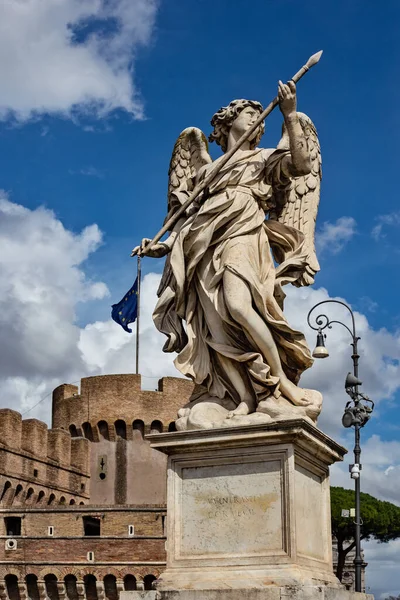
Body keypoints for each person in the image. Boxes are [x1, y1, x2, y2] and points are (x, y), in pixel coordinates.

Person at [133, 81, 317, 419]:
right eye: (248, 114)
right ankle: (244, 396)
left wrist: (290, 115)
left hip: (243, 232)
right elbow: (191, 220)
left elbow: (302, 165)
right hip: (203, 245)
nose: (256, 120)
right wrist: (164, 245)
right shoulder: (205, 171)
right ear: (227, 121)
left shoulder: (264, 159)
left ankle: (279, 384)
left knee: (239, 305)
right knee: (212, 325)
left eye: (258, 117)